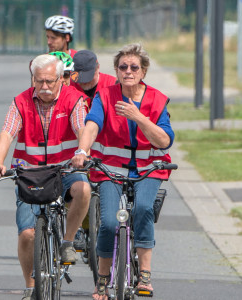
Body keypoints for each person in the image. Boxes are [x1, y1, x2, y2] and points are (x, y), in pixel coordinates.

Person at [71, 43, 173, 300]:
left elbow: (164, 141)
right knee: (107, 223)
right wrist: (82, 151)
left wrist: (138, 117)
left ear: (144, 71)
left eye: (134, 67)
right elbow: (92, 124)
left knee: (142, 210)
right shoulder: (104, 96)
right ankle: (103, 279)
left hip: (148, 170)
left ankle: (145, 275)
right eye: (122, 67)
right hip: (110, 169)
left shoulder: (157, 100)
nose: (128, 71)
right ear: (116, 71)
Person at [0, 54, 92, 300]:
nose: (44, 86)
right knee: (27, 234)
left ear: (61, 80)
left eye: (49, 81)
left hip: (65, 169)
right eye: (39, 81)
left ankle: (67, 242)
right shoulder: (20, 102)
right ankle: (30, 285)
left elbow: (82, 129)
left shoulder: (74, 100)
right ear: (32, 79)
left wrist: (81, 152)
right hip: (30, 174)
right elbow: (6, 135)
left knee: (83, 190)